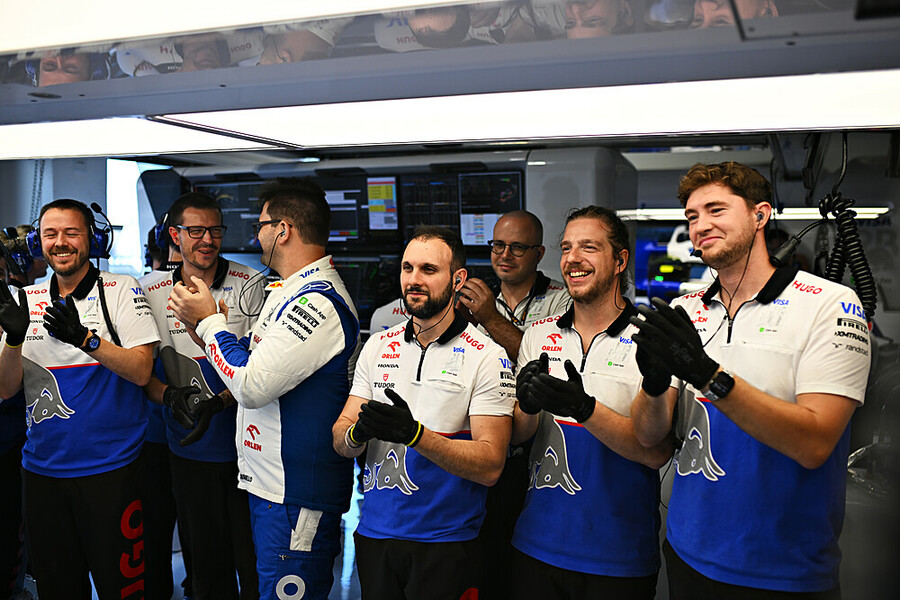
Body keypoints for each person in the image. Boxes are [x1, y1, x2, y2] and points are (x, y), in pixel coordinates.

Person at [630, 162, 871, 599]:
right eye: (692, 216)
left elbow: (815, 444)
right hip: (686, 553)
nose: (700, 225)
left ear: (760, 215)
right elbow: (648, 436)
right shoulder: (685, 311)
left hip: (782, 569)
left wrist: (707, 375)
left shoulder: (829, 304)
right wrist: (653, 382)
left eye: (716, 210)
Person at [168, 178, 360, 600]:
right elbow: (250, 363)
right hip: (271, 488)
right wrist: (203, 327)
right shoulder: (286, 291)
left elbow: (251, 386)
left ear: (283, 230)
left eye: (261, 226)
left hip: (297, 494)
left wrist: (211, 322)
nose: (256, 236)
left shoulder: (317, 302)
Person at [332, 225, 514, 600]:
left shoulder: (486, 355)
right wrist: (357, 434)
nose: (414, 280)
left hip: (447, 543)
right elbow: (340, 436)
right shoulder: (377, 346)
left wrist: (415, 435)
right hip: (375, 535)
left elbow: (491, 465)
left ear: (458, 279)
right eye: (407, 268)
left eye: (428, 269)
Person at [0, 199, 159, 600]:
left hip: (112, 472)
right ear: (38, 243)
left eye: (72, 233)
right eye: (50, 234)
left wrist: (86, 340)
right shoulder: (26, 298)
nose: (61, 242)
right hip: (42, 474)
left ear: (91, 238)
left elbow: (142, 371)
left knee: (122, 590)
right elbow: (6, 389)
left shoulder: (122, 289)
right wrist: (14, 339)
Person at [512, 206, 670, 599]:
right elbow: (519, 435)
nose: (572, 259)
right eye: (566, 248)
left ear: (620, 261)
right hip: (536, 544)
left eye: (589, 247)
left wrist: (584, 409)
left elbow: (655, 452)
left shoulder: (650, 340)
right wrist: (527, 407)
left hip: (617, 556)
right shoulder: (538, 335)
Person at [142, 193, 263, 600]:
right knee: (207, 569)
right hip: (188, 450)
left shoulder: (252, 284)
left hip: (249, 449)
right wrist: (169, 396)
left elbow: (263, 368)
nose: (207, 240)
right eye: (196, 231)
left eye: (215, 230)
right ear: (175, 236)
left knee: (253, 563)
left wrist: (223, 401)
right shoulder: (151, 290)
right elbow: (142, 373)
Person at [455, 209, 569, 599]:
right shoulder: (471, 298)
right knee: (484, 564)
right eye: (498, 245)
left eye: (517, 247)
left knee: (528, 567)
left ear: (539, 253)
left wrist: (489, 319)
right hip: (484, 444)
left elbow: (547, 363)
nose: (504, 255)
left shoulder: (562, 300)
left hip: (541, 449)